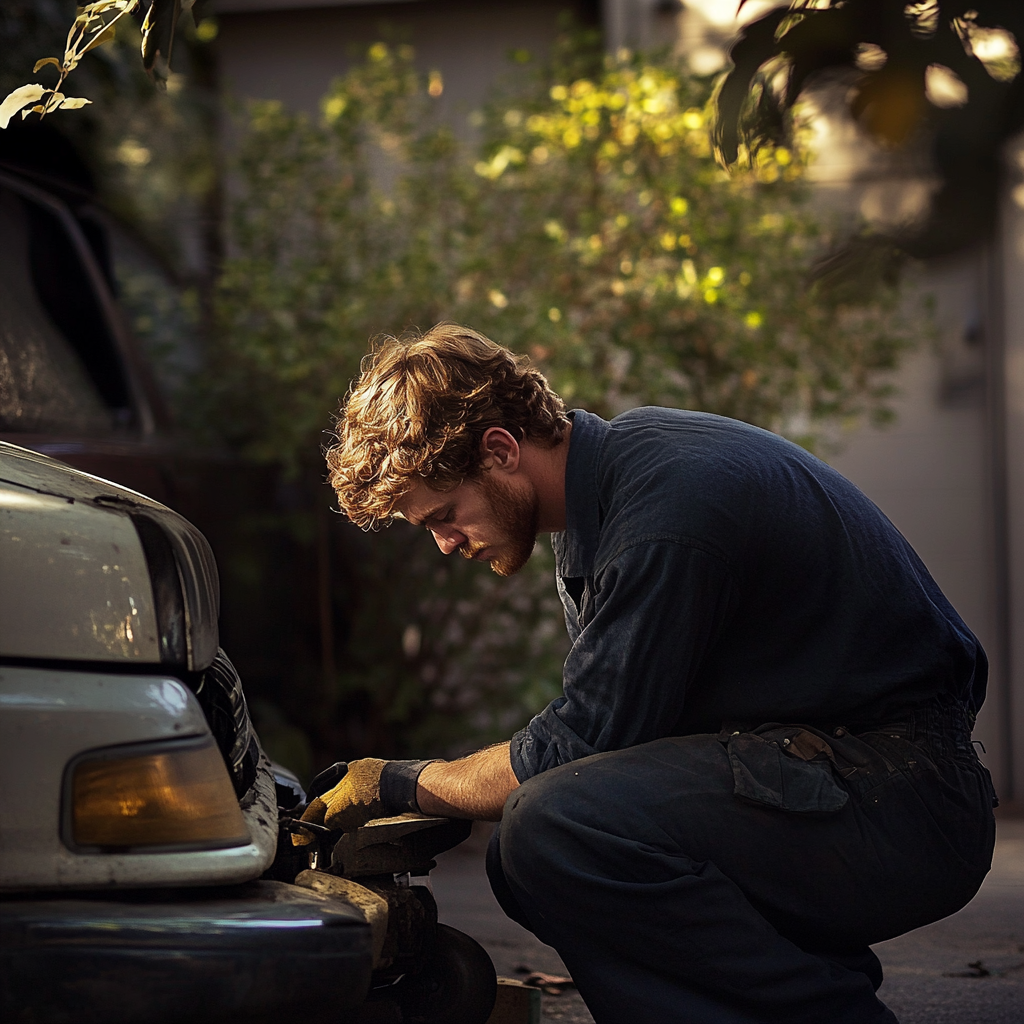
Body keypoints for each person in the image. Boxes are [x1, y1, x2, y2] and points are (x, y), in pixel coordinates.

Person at [302, 323, 997, 1023]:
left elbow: (578, 747)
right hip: (833, 775)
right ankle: (794, 984)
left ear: (501, 449)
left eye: (444, 516)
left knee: (556, 827)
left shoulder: (665, 512)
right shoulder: (608, 494)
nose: (446, 543)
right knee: (524, 853)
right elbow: (621, 743)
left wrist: (400, 780)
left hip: (903, 797)